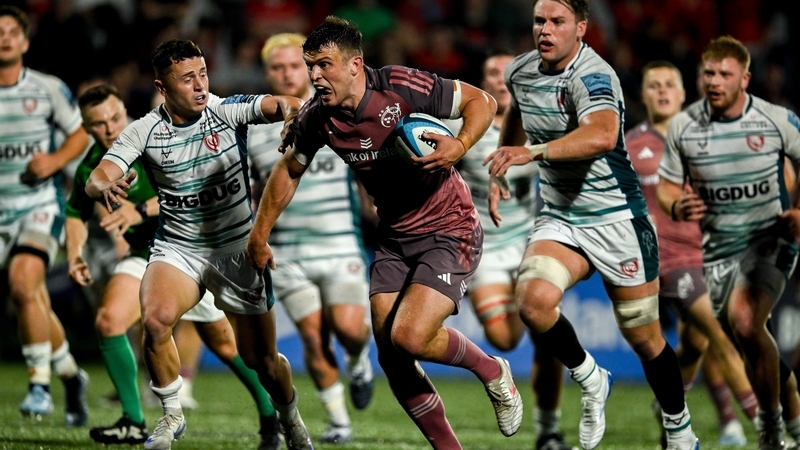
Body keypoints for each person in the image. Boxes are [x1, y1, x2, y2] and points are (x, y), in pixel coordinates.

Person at [247, 16, 523, 449]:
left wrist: (460, 144)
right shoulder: (317, 117)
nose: (314, 76)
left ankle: (491, 370)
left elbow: (482, 102)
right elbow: (288, 171)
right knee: (392, 357)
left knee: (409, 337)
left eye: (324, 65)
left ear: (355, 64)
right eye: (310, 66)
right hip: (393, 237)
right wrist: (258, 235)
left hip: (449, 226)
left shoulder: (398, 85)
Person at [484, 1, 698, 449]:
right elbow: (519, 112)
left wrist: (531, 152)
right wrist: (502, 167)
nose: (545, 30)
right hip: (561, 216)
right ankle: (591, 377)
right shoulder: (520, 70)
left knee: (644, 337)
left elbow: (601, 135)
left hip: (617, 218)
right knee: (533, 303)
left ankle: (680, 431)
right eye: (539, 21)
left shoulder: (593, 74)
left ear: (581, 28)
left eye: (557, 22)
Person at [84, 39, 311, 450]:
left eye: (203, 73)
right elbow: (97, 177)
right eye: (187, 78)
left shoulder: (225, 111)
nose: (200, 84)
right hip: (179, 247)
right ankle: (171, 416)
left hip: (236, 249)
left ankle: (289, 418)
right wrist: (105, 185)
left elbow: (284, 102)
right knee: (156, 320)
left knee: (262, 360)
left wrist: (292, 114)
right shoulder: (144, 130)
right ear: (162, 86)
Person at [657, 35, 800, 450]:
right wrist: (677, 204)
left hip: (770, 239)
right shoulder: (685, 126)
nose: (715, 81)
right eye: (709, 73)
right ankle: (793, 417)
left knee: (744, 320)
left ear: (745, 79)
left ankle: (768, 427)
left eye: (725, 74)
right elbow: (667, 187)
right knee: (749, 338)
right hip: (718, 250)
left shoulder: (777, 120)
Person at [248, 33, 374, 444]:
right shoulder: (254, 130)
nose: (287, 74)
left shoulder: (338, 112)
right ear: (267, 73)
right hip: (287, 252)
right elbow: (251, 191)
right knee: (313, 338)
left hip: (339, 244)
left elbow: (365, 168)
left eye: (294, 66)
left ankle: (358, 358)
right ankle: (339, 422)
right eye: (277, 67)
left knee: (349, 329)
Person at [628, 60, 757, 447]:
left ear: (684, 93)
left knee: (696, 346)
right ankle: (769, 429)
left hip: (710, 255)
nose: (662, 91)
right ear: (644, 94)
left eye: (670, 84)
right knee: (723, 335)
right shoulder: (629, 147)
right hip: (669, 262)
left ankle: (672, 410)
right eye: (654, 85)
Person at [456, 48, 575, 450]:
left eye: (509, 73)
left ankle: (548, 428)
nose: (502, 79)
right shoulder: (465, 126)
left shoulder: (540, 125)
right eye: (494, 72)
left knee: (547, 334)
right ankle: (501, 368)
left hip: (529, 240)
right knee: (504, 340)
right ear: (484, 82)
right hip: (484, 248)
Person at [0, 5, 91, 427]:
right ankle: (71, 375)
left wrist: (54, 161)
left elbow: (79, 133)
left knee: (23, 284)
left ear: (24, 41)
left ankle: (39, 385)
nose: (4, 38)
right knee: (30, 297)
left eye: (11, 32)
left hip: (39, 205)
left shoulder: (47, 88)